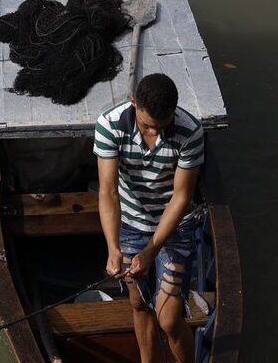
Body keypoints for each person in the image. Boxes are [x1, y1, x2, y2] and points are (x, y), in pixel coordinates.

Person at [94, 72, 204, 363]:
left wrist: (151, 249)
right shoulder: (109, 125)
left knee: (168, 319)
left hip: (175, 225)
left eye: (162, 125)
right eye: (147, 125)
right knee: (139, 304)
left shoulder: (190, 131)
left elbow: (181, 197)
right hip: (131, 223)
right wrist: (113, 248)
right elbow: (108, 192)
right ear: (133, 104)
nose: (155, 132)